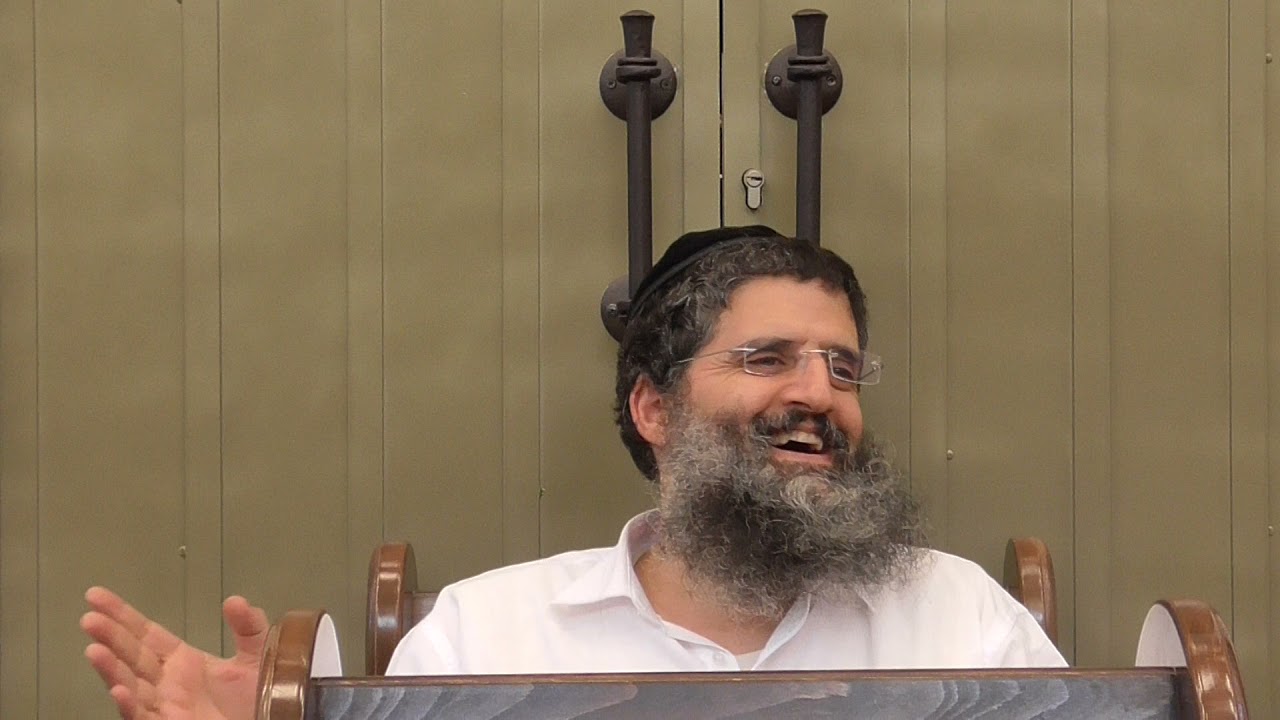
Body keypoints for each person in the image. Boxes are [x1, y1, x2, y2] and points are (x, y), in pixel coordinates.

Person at [81, 226, 1064, 717]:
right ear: (653, 408)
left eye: (842, 368)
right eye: (767, 359)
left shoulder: (963, 621)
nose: (820, 393)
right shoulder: (482, 639)